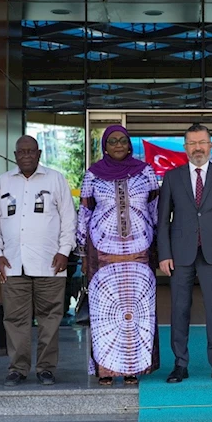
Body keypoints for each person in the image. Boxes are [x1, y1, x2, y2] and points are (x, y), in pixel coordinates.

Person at [0, 135, 76, 387]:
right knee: (15, 320)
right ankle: (18, 368)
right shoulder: (3, 183)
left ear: (38, 154)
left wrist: (65, 251)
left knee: (50, 318)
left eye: (31, 151)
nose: (26, 155)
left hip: (51, 263)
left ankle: (46, 368)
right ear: (15, 156)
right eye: (21, 152)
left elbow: (69, 219)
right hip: (13, 264)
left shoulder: (55, 179)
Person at [76, 125, 161, 386]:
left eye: (123, 140)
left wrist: (159, 243)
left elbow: (155, 209)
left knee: (138, 311)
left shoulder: (145, 172)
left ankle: (133, 368)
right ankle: (106, 369)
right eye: (112, 141)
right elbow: (84, 214)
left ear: (129, 144)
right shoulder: (92, 175)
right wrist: (81, 250)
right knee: (105, 314)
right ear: (104, 145)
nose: (118, 145)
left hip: (139, 250)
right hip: (102, 253)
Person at [157, 123, 212, 384]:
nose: (197, 148)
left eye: (202, 142)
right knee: (179, 309)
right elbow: (162, 220)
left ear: (210, 145)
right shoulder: (172, 177)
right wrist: (164, 253)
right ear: (185, 148)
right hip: (180, 254)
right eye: (192, 143)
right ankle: (180, 364)